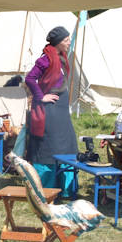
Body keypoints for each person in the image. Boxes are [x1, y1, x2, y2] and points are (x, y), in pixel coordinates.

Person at [25, 26, 77, 197]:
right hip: (49, 112)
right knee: (49, 147)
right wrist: (41, 97)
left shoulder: (61, 59)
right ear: (58, 42)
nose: (69, 42)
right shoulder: (46, 59)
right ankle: (46, 189)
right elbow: (30, 79)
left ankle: (66, 189)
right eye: (66, 39)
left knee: (67, 145)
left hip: (61, 111)